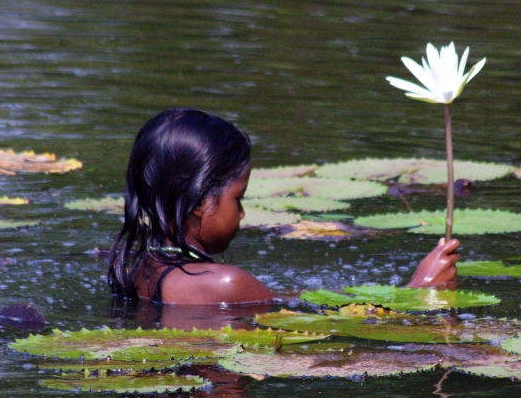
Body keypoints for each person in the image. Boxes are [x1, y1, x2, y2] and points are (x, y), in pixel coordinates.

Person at [107, 108, 461, 305]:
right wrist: (418, 291)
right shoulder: (228, 283)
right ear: (201, 203)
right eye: (238, 198)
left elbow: (278, 299)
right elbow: (318, 326)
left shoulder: (137, 268)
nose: (242, 213)